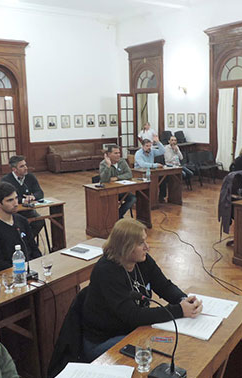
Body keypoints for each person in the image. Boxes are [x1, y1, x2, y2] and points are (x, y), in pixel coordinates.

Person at [81, 219, 203, 361]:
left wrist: (184, 300)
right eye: (141, 243)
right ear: (125, 247)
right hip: (105, 341)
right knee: (159, 354)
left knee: (174, 344)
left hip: (135, 330)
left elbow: (164, 286)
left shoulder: (142, 260)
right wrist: (179, 310)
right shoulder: (106, 271)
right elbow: (133, 316)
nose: (147, 247)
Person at [0, 182, 41, 278]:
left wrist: (37, 264)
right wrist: (20, 270)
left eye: (16, 198)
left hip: (28, 271)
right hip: (6, 276)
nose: (16, 203)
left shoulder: (22, 221)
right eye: (10, 200)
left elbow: (34, 248)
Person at [1, 155, 45, 236]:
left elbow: (40, 192)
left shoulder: (30, 177)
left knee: (39, 221)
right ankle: (22, 241)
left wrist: (33, 197)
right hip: (13, 211)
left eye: (25, 165)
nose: (26, 168)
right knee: (20, 224)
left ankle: (28, 241)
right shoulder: (6, 180)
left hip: (28, 210)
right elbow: (7, 198)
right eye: (22, 166)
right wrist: (23, 200)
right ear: (14, 169)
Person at [99, 145, 137, 219]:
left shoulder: (122, 161)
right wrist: (108, 166)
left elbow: (129, 174)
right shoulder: (103, 164)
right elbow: (104, 179)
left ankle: (118, 215)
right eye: (115, 153)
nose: (118, 155)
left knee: (133, 198)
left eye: (119, 153)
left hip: (121, 190)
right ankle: (112, 217)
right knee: (111, 201)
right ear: (109, 154)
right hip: (108, 191)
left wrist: (117, 178)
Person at [135, 136, 167, 201]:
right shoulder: (138, 153)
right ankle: (148, 199)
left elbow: (163, 151)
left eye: (150, 146)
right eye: (147, 146)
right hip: (140, 173)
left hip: (151, 172)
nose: (149, 147)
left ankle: (161, 197)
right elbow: (142, 164)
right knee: (152, 180)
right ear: (142, 146)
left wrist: (158, 142)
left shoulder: (152, 151)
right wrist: (155, 165)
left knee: (163, 178)